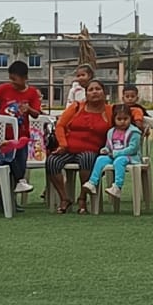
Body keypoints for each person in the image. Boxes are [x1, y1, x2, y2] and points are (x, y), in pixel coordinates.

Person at [47, 81, 112, 213]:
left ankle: (82, 198)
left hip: (92, 150)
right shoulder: (76, 107)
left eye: (98, 89)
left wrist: (139, 119)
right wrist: (63, 144)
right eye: (91, 90)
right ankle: (64, 198)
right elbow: (60, 125)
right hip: (68, 148)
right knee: (52, 161)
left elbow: (131, 110)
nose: (94, 92)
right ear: (86, 94)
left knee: (87, 158)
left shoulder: (110, 111)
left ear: (104, 93)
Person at [0, 60, 42, 195]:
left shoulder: (32, 93)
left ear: (25, 78)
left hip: (21, 137)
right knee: (4, 166)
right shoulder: (4, 88)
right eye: (11, 79)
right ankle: (1, 199)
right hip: (3, 137)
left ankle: (12, 199)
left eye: (15, 79)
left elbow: (36, 114)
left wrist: (28, 109)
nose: (12, 83)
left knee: (19, 167)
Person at [85, 109, 141, 201]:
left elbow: (133, 149)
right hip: (113, 155)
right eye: (119, 119)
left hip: (130, 157)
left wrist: (116, 153)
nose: (122, 121)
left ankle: (117, 187)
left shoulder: (134, 132)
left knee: (119, 161)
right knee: (100, 159)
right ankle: (92, 182)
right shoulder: (111, 132)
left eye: (125, 119)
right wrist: (105, 150)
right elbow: (109, 146)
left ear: (130, 118)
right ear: (114, 119)